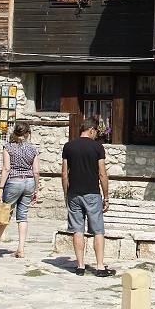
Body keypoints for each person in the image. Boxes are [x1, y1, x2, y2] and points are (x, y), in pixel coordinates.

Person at [62, 118, 112, 277]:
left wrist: (66, 194)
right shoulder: (97, 147)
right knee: (98, 230)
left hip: (74, 193)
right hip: (92, 193)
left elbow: (64, 174)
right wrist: (106, 196)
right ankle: (100, 266)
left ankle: (80, 265)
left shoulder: (68, 146)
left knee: (77, 229)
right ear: (91, 130)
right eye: (96, 131)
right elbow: (102, 173)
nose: (96, 135)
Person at [0, 121, 39, 258]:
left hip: (14, 181)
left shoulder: (9, 147)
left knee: (4, 214)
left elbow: (6, 168)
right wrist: (36, 189)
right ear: (27, 133)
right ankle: (21, 248)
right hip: (29, 181)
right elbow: (36, 171)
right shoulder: (32, 149)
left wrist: (0, 187)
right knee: (22, 216)